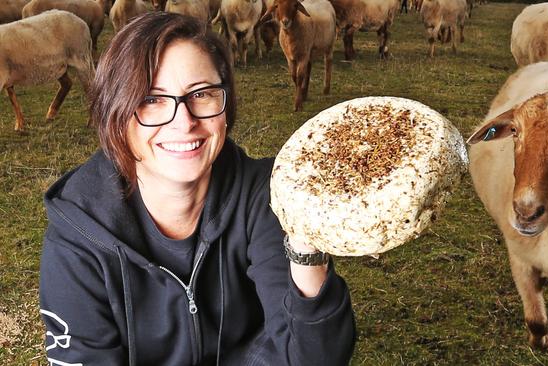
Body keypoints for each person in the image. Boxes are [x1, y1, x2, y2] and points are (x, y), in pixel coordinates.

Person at [39, 12, 356, 366]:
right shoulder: (78, 237)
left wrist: (305, 244)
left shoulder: (267, 197)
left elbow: (314, 357)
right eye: (151, 99)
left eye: (201, 93)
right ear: (115, 112)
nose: (184, 121)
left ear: (227, 102)